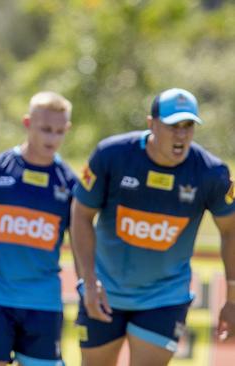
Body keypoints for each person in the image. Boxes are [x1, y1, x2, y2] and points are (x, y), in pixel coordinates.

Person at [71, 88, 235, 366]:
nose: (181, 135)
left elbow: (231, 230)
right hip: (105, 291)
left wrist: (232, 299)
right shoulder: (112, 155)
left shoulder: (212, 173)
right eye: (173, 126)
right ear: (151, 124)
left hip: (164, 297)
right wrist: (88, 281)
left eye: (188, 126)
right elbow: (81, 214)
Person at [0, 92, 75, 366]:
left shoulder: (69, 183)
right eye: (45, 129)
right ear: (28, 122)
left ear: (66, 130)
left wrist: (88, 285)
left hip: (44, 304)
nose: (51, 138)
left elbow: (81, 241)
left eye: (59, 132)